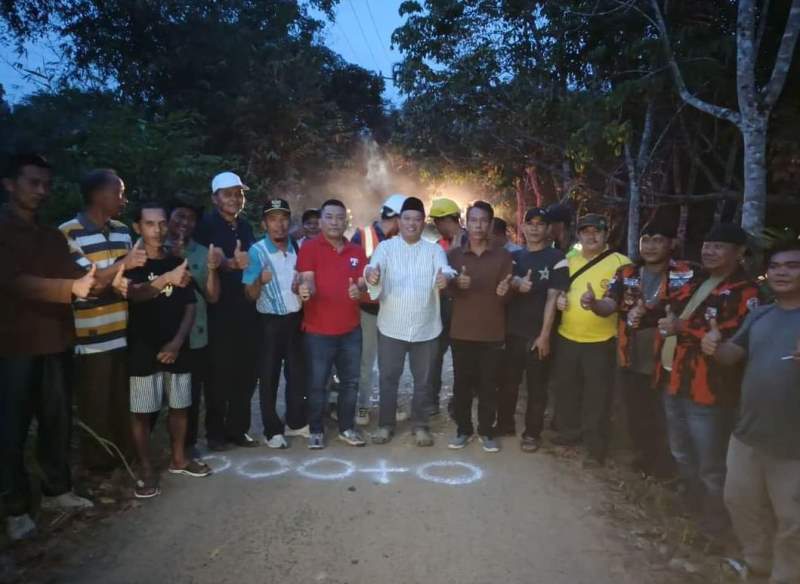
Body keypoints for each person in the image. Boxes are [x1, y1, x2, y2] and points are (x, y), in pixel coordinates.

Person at [1, 153, 96, 540]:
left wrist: (109, 276)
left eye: (46, 184)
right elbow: (14, 281)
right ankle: (15, 507)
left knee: (56, 420)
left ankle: (58, 490)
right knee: (12, 429)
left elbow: (78, 274)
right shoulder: (3, 231)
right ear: (10, 184)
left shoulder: (51, 235)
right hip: (14, 346)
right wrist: (69, 288)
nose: (41, 191)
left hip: (56, 340)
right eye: (33, 183)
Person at [704, 240, 800, 583]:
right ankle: (757, 566)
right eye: (776, 266)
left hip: (792, 445)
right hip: (747, 433)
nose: (782, 272)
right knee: (740, 503)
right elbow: (732, 356)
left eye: (792, 265)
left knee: (792, 520)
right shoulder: (761, 315)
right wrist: (713, 345)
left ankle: (786, 576)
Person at [657, 223, 760, 540]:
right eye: (707, 244)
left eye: (719, 246)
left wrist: (681, 328)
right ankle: (692, 510)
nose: (709, 251)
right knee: (681, 453)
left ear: (739, 253)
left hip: (710, 391)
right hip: (675, 381)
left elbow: (733, 335)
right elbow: (668, 312)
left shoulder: (748, 292)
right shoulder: (696, 282)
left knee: (711, 466)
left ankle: (716, 528)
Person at [584, 221, 688, 478]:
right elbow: (610, 304)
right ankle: (644, 461)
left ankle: (671, 472)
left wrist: (676, 323)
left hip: (668, 358)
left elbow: (695, 313)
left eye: (657, 240)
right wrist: (594, 304)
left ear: (671, 243)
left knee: (666, 415)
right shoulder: (627, 272)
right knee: (637, 411)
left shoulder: (686, 273)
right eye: (646, 240)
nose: (650, 246)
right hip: (631, 354)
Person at [126, 203, 211, 499]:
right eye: (150, 224)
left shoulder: (177, 259)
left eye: (162, 223)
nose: (158, 229)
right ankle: (146, 468)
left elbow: (190, 305)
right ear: (138, 227)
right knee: (141, 412)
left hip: (177, 346)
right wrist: (165, 280)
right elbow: (135, 296)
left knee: (180, 406)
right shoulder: (133, 264)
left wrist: (177, 342)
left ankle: (179, 459)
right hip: (142, 347)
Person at [59, 169, 141, 471]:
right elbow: (86, 285)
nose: (124, 199)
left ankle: (124, 464)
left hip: (123, 331)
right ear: (97, 195)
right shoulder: (69, 232)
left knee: (122, 404)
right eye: (119, 192)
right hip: (90, 339)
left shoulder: (121, 230)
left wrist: (121, 278)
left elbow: (124, 281)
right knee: (95, 407)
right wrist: (122, 266)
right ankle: (98, 470)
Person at [364, 197, 450, 446]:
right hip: (392, 327)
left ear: (424, 223)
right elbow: (371, 271)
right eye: (407, 218)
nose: (412, 223)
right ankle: (385, 425)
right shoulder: (386, 248)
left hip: (426, 328)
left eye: (417, 219)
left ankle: (420, 425)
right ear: (399, 221)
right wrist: (371, 276)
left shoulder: (434, 250)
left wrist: (445, 278)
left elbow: (445, 270)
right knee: (388, 378)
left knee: (423, 381)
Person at [552, 213, 631, 466]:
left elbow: (628, 301)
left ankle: (596, 447)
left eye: (596, 231)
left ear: (606, 234)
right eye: (585, 232)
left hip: (601, 340)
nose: (591, 236)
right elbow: (558, 291)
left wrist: (597, 303)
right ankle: (568, 435)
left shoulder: (621, 263)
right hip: (567, 337)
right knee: (567, 390)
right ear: (579, 235)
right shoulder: (569, 260)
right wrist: (560, 301)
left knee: (597, 396)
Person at [194, 171, 260, 450]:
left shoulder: (244, 227)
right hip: (217, 312)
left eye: (239, 193)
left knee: (246, 372)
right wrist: (229, 263)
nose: (235, 198)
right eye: (228, 193)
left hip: (246, 309)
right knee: (219, 373)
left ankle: (238, 429)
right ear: (215, 198)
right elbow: (206, 259)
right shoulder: (205, 226)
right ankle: (216, 434)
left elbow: (251, 262)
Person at [296, 199, 368, 449]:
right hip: (318, 331)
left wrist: (360, 290)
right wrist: (305, 289)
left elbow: (363, 284)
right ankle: (316, 429)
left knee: (351, 382)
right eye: (329, 217)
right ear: (321, 220)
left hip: (350, 330)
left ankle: (347, 427)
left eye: (340, 217)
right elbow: (306, 280)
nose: (335, 222)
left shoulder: (357, 252)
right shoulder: (309, 249)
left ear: (346, 220)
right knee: (317, 384)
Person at [496, 208, 568, 452]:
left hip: (539, 334)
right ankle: (505, 424)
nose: (535, 228)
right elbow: (509, 283)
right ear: (523, 227)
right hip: (513, 332)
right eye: (530, 223)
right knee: (508, 383)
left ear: (548, 229)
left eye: (540, 224)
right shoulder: (516, 257)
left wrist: (545, 335)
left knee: (537, 387)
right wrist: (516, 284)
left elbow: (553, 298)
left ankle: (532, 433)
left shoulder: (557, 257)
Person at [446, 200, 513, 452]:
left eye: (483, 220)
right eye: (473, 220)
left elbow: (507, 294)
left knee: (488, 384)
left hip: (492, 332)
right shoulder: (453, 256)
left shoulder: (503, 256)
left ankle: (486, 430)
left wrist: (505, 291)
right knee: (461, 384)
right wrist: (455, 285)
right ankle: (463, 429)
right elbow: (444, 290)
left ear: (490, 224)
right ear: (466, 223)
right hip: (461, 331)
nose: (478, 225)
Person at [243, 199, 307, 449]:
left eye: (283, 219)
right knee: (268, 377)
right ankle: (272, 430)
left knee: (297, 374)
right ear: (264, 224)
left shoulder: (296, 248)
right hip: (268, 322)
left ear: (289, 222)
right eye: (273, 219)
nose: (279, 225)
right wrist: (259, 279)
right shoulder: (256, 251)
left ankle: (295, 421)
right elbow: (249, 294)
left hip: (295, 319)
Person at [164, 198, 221, 458]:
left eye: (190, 219)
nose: (184, 223)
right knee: (153, 393)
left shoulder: (200, 252)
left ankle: (187, 445)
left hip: (196, 333)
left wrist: (211, 268)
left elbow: (212, 297)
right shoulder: (151, 249)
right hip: (159, 334)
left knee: (191, 392)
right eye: (179, 217)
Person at [351, 193, 406, 425]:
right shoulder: (362, 236)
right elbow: (351, 270)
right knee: (366, 363)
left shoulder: (401, 240)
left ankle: (390, 405)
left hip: (392, 309)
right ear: (395, 218)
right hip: (367, 310)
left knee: (391, 363)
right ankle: (362, 406)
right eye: (405, 219)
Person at [428, 197, 467, 415]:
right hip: (440, 309)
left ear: (451, 219)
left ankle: (459, 401)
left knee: (461, 358)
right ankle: (432, 400)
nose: (436, 226)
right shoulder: (435, 247)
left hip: (463, 308)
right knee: (434, 357)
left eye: (438, 221)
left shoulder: (471, 242)